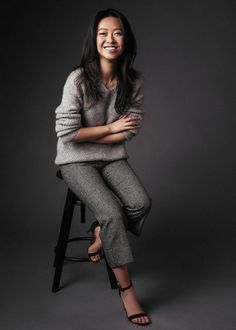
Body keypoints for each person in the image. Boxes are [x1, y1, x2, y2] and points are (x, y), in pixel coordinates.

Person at [54, 8, 152, 326]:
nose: (110, 39)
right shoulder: (79, 79)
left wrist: (102, 133)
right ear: (94, 41)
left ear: (126, 39)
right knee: (110, 212)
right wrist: (110, 129)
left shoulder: (133, 82)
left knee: (140, 203)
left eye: (117, 32)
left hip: (111, 158)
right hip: (74, 160)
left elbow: (131, 130)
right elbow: (68, 133)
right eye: (103, 33)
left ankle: (100, 231)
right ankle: (127, 290)